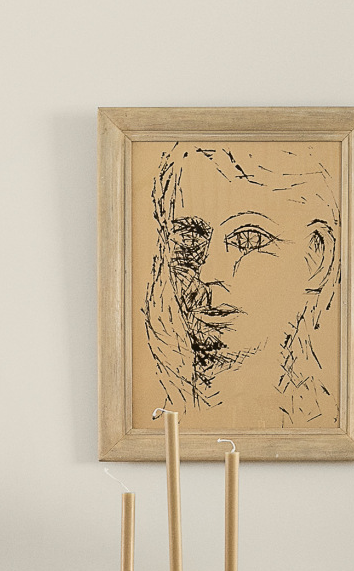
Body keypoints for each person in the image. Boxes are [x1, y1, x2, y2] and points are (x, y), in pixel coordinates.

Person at [140, 142, 340, 427]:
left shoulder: (325, 424)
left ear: (317, 257)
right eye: (190, 238)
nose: (207, 272)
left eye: (249, 239)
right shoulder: (158, 414)